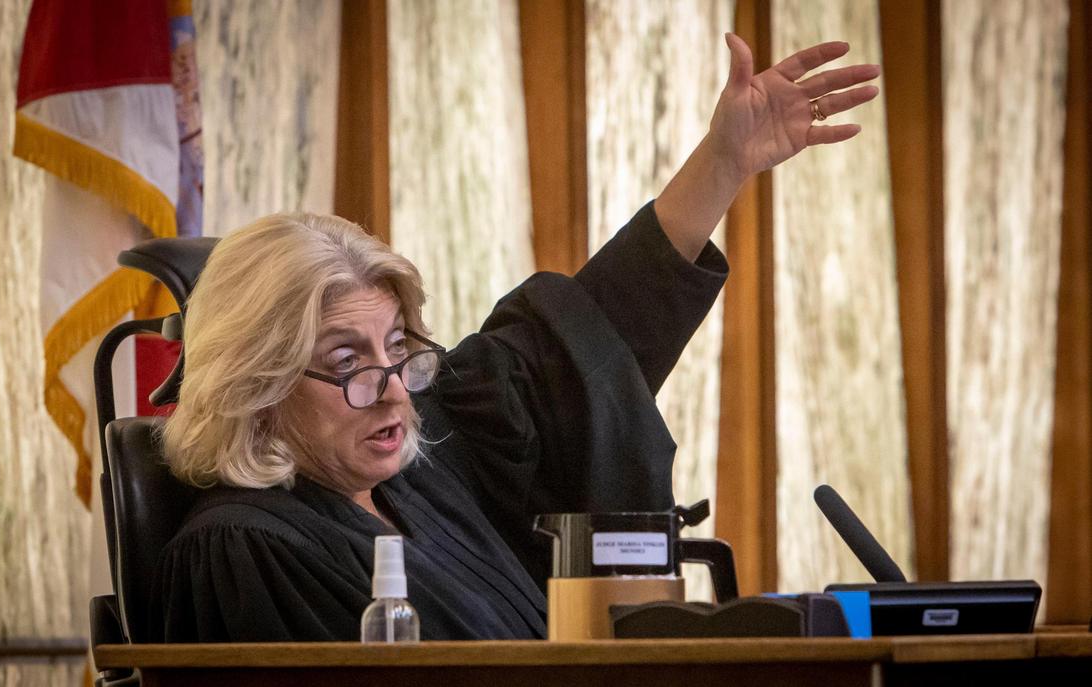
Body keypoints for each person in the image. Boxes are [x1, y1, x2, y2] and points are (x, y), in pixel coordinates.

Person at [149, 35, 880, 641]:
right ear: (258, 387)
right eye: (349, 363)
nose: (394, 390)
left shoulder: (417, 468)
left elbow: (575, 349)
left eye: (399, 351)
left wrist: (722, 165)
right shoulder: (247, 549)